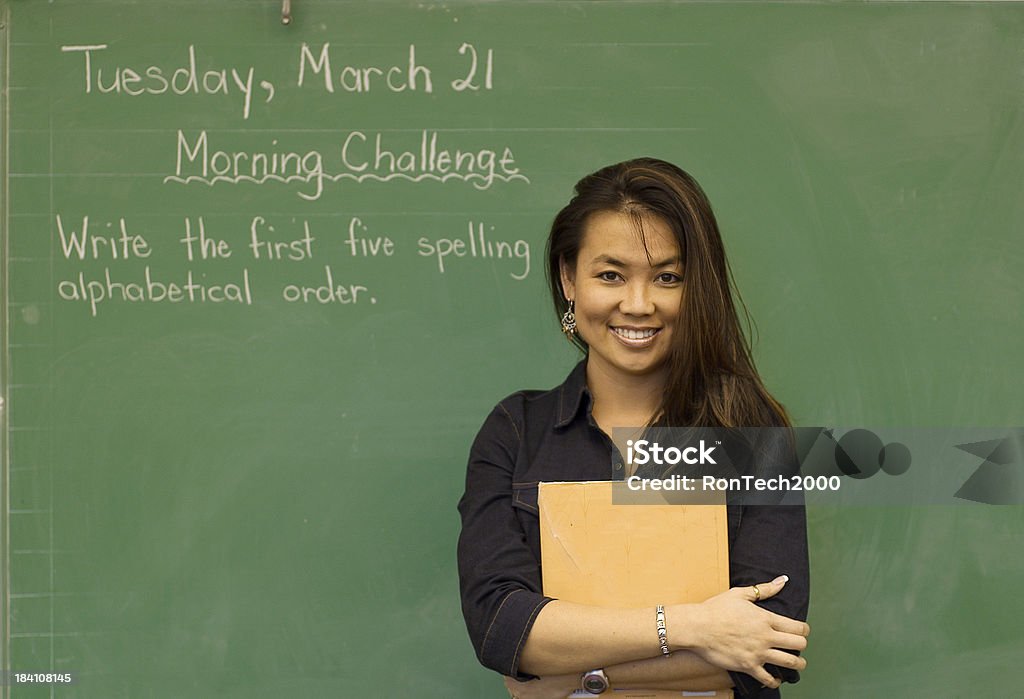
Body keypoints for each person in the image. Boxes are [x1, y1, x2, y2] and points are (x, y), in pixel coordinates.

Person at [457, 158, 810, 698]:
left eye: (667, 277)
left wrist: (565, 671)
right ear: (568, 278)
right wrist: (693, 628)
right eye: (610, 275)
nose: (639, 304)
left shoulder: (751, 433)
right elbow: (501, 629)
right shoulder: (516, 432)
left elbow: (767, 650)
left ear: (697, 290)